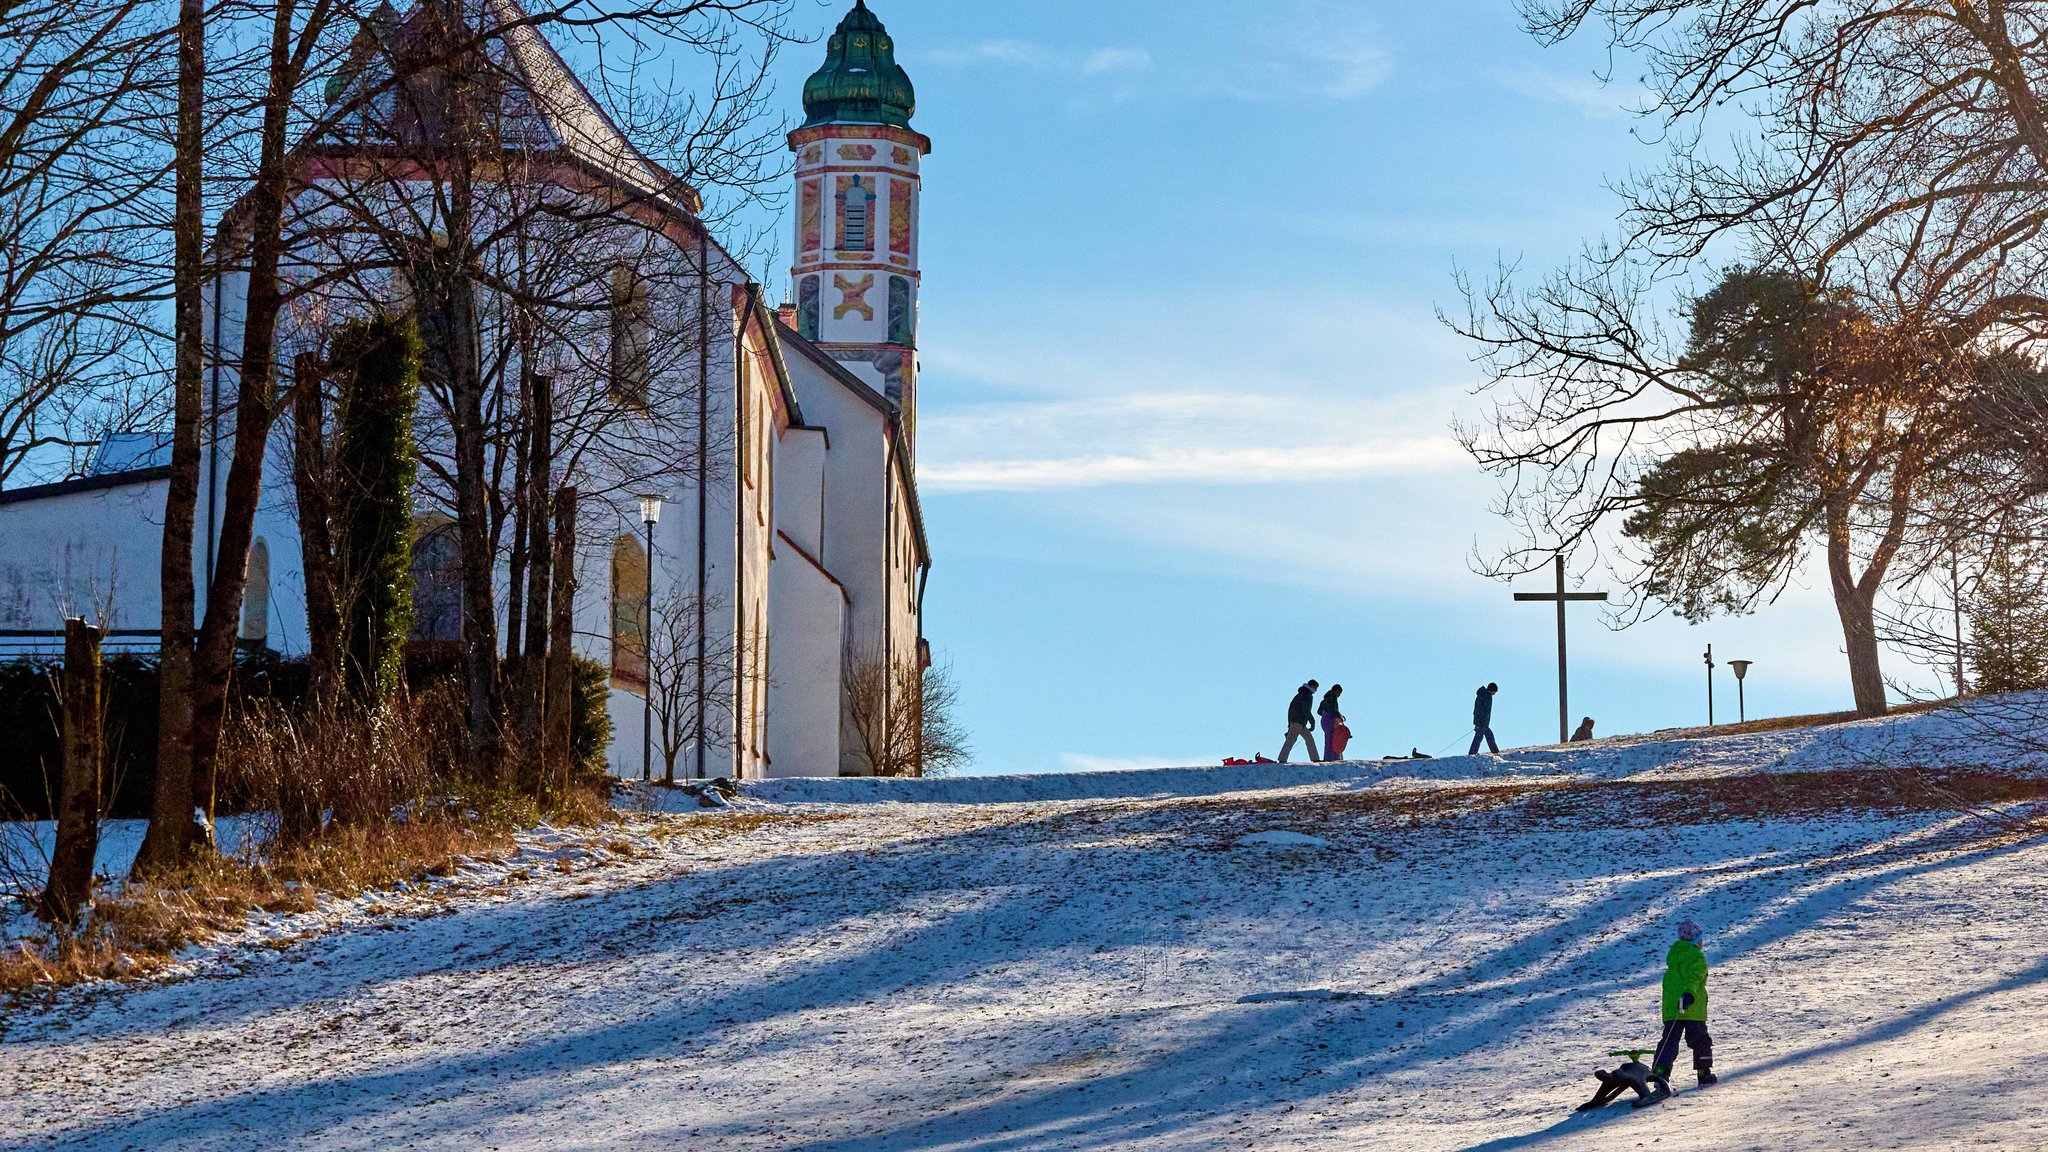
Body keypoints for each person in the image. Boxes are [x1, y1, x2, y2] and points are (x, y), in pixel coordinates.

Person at [1643, 918, 1716, 1104]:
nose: (1702, 942)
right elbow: (1693, 978)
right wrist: (1689, 995)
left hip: (1673, 1011)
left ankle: (1660, 1073)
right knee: (1700, 1041)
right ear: (1695, 940)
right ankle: (1704, 1072)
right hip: (1692, 1009)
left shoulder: (1674, 957)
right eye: (1700, 938)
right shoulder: (1697, 957)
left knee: (1669, 1041)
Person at [1279, 680, 1320, 762]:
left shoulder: (1299, 695)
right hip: (1298, 722)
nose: (1316, 690)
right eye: (1315, 687)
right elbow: (1306, 710)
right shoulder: (1308, 695)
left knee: (1308, 739)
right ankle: (1282, 759)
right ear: (1312, 686)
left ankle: (1315, 759)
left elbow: (1291, 709)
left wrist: (1290, 723)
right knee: (1291, 740)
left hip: (1297, 722)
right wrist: (1312, 722)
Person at [1468, 682, 1499, 755]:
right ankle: (1472, 753)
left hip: (1484, 722)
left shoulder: (1485, 696)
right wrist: (1479, 722)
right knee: (1479, 737)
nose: (1494, 694)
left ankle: (1495, 751)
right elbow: (1479, 710)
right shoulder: (1485, 696)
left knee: (1488, 735)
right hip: (1481, 722)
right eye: (1494, 692)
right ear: (1492, 690)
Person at [1317, 685, 1346, 762]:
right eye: (1339, 693)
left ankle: (1328, 756)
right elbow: (1333, 709)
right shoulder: (1332, 698)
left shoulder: (1325, 699)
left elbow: (1319, 711)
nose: (1339, 695)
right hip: (1330, 720)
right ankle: (1333, 757)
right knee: (1333, 739)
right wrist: (1339, 716)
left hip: (1324, 720)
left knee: (1328, 739)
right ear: (1336, 691)